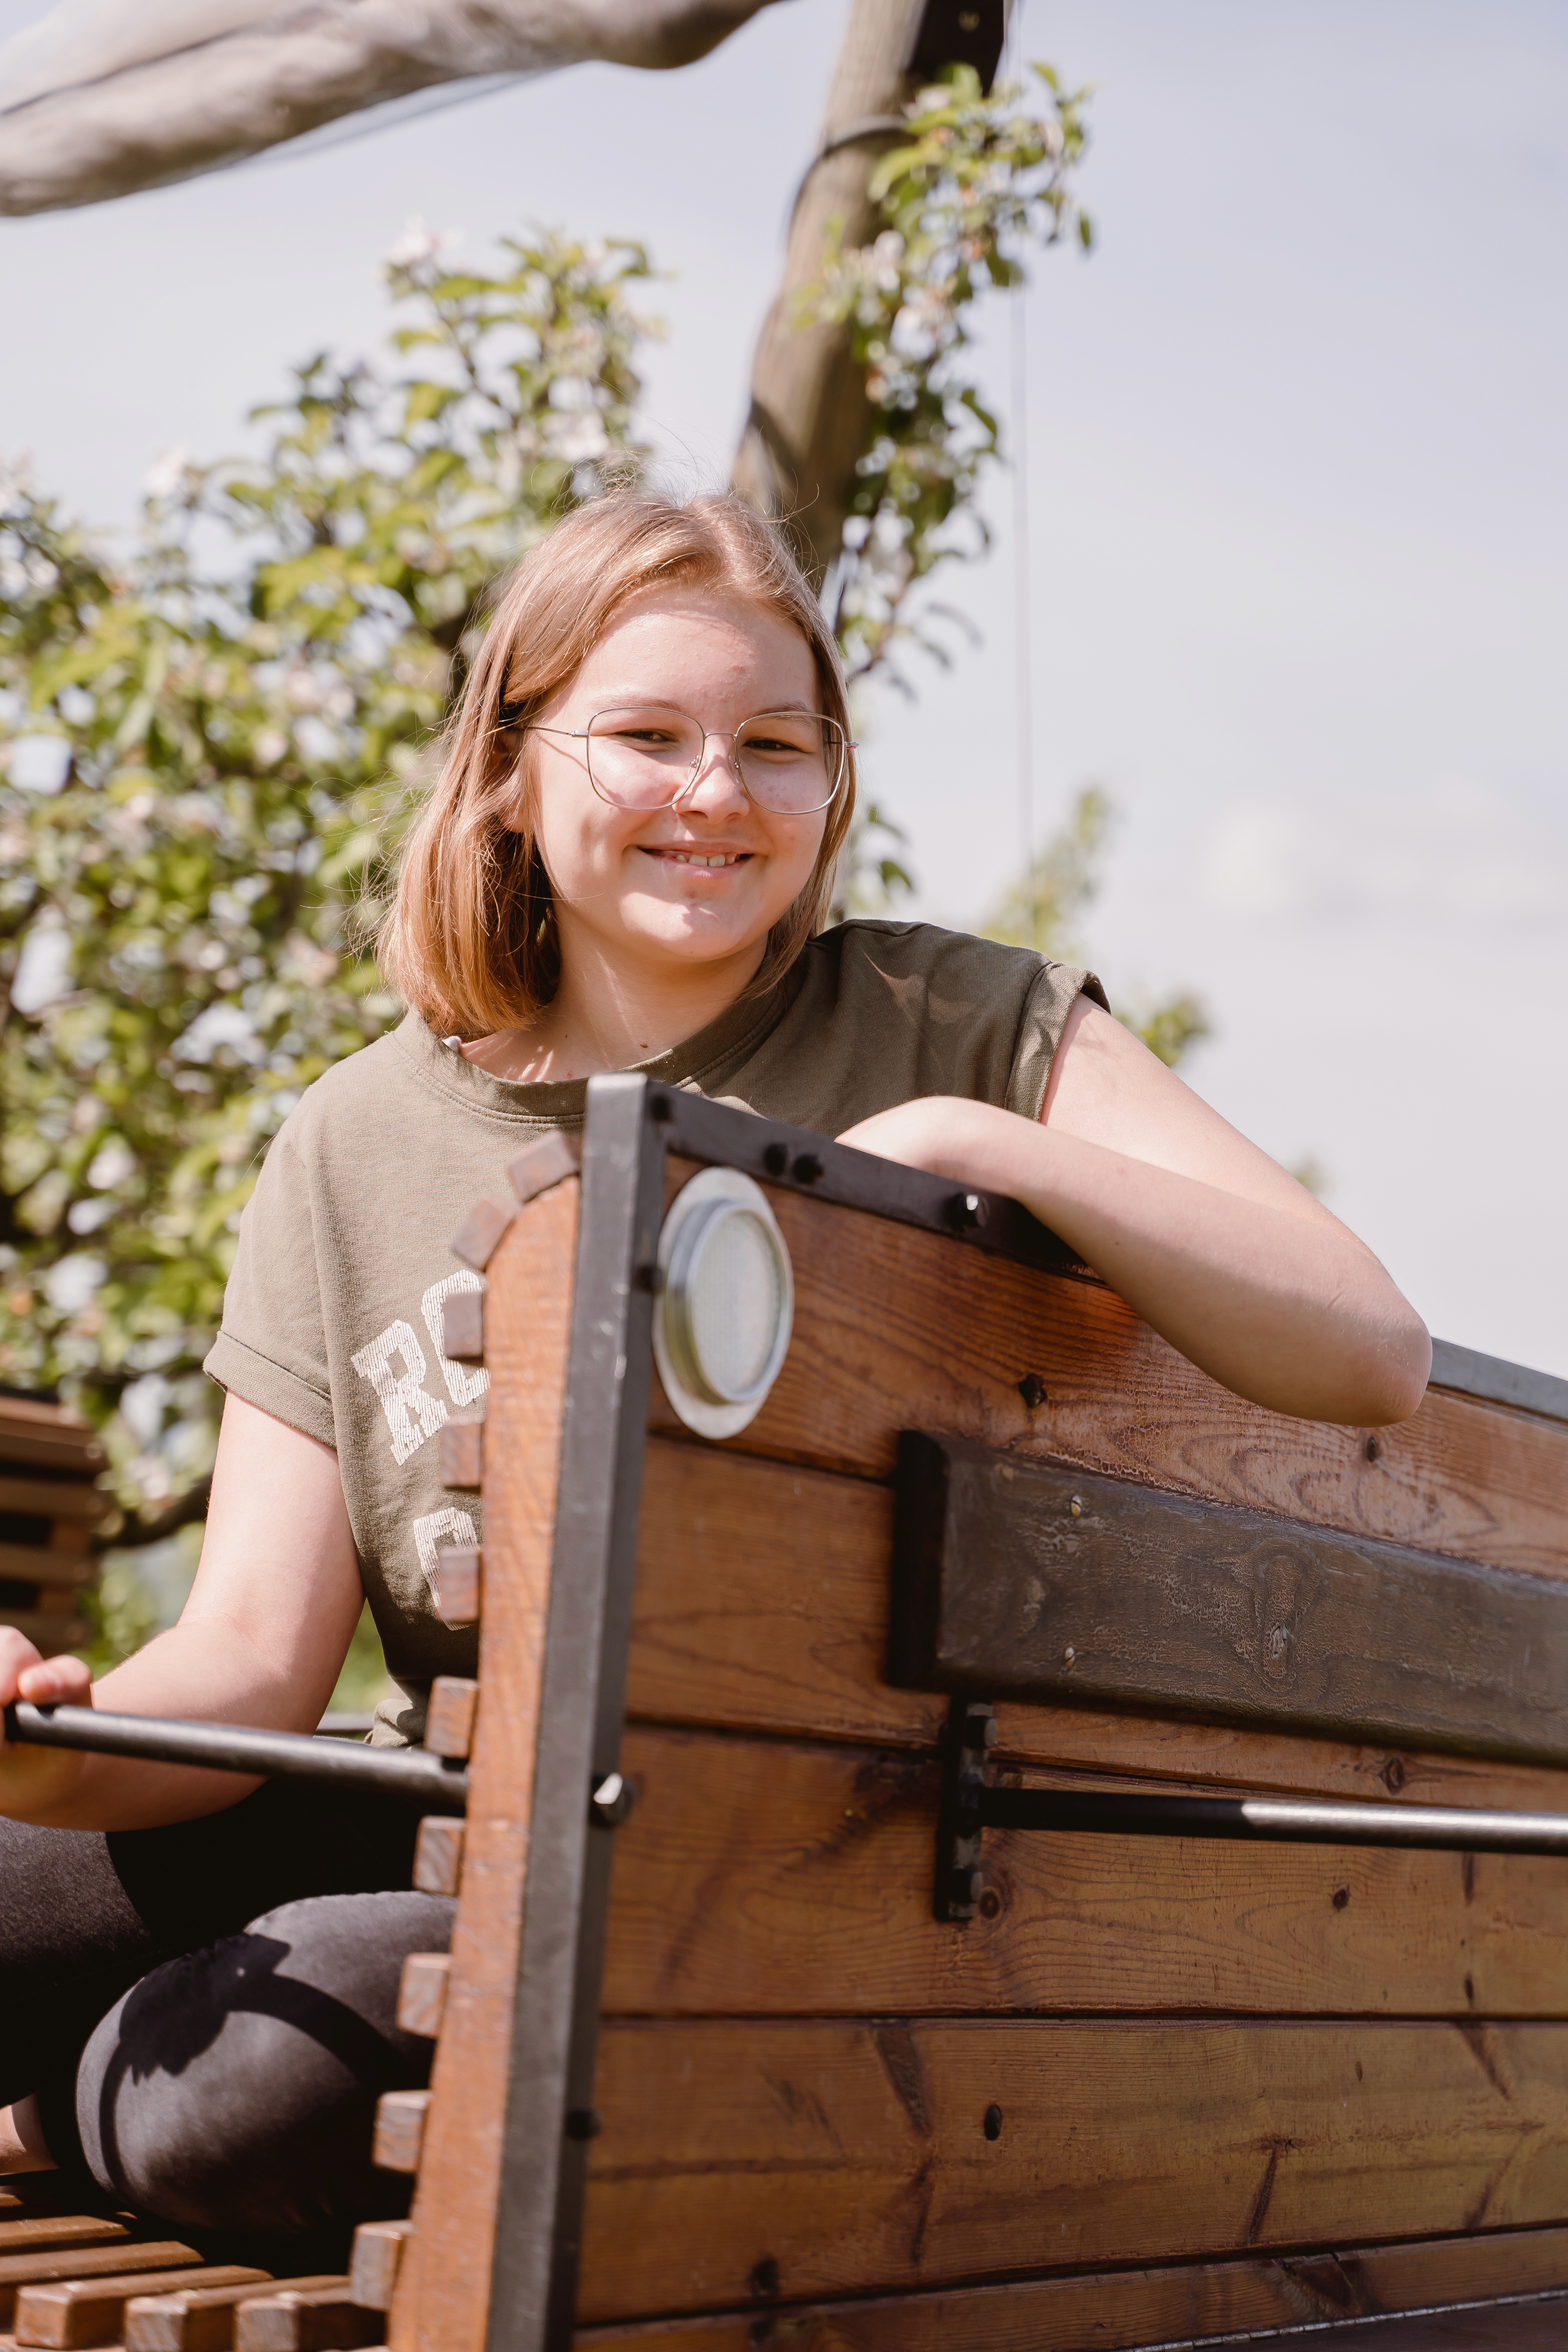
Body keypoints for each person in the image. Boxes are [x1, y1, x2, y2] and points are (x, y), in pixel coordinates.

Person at [0, 492, 1430, 2232]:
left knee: (253, 2079)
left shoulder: (956, 1020)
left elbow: (1366, 1345)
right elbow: (243, 1662)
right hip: (434, 1814)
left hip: (788, 1863)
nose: (713, 791)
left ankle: (55, 2108)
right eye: (646, 736)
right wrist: (44, 1745)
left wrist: (973, 1141)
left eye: (773, 743)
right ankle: (82, 2062)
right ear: (513, 769)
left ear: (829, 786)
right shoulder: (355, 1137)